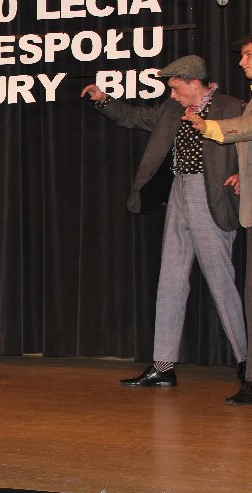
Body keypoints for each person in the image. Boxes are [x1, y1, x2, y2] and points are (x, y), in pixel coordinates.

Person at [81, 55, 247, 393]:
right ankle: (163, 366)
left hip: (211, 194)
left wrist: (243, 175)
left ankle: (247, 362)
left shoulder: (231, 106)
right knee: (170, 279)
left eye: (175, 88)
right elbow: (133, 116)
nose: (171, 95)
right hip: (179, 190)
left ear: (194, 83)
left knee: (221, 281)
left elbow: (247, 140)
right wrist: (104, 100)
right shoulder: (172, 110)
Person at [183, 35, 252, 405]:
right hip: (238, 201)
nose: (242, 62)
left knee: (236, 287)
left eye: (248, 55)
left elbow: (245, 127)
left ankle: (247, 370)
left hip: (222, 200)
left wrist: (209, 127)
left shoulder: (232, 106)